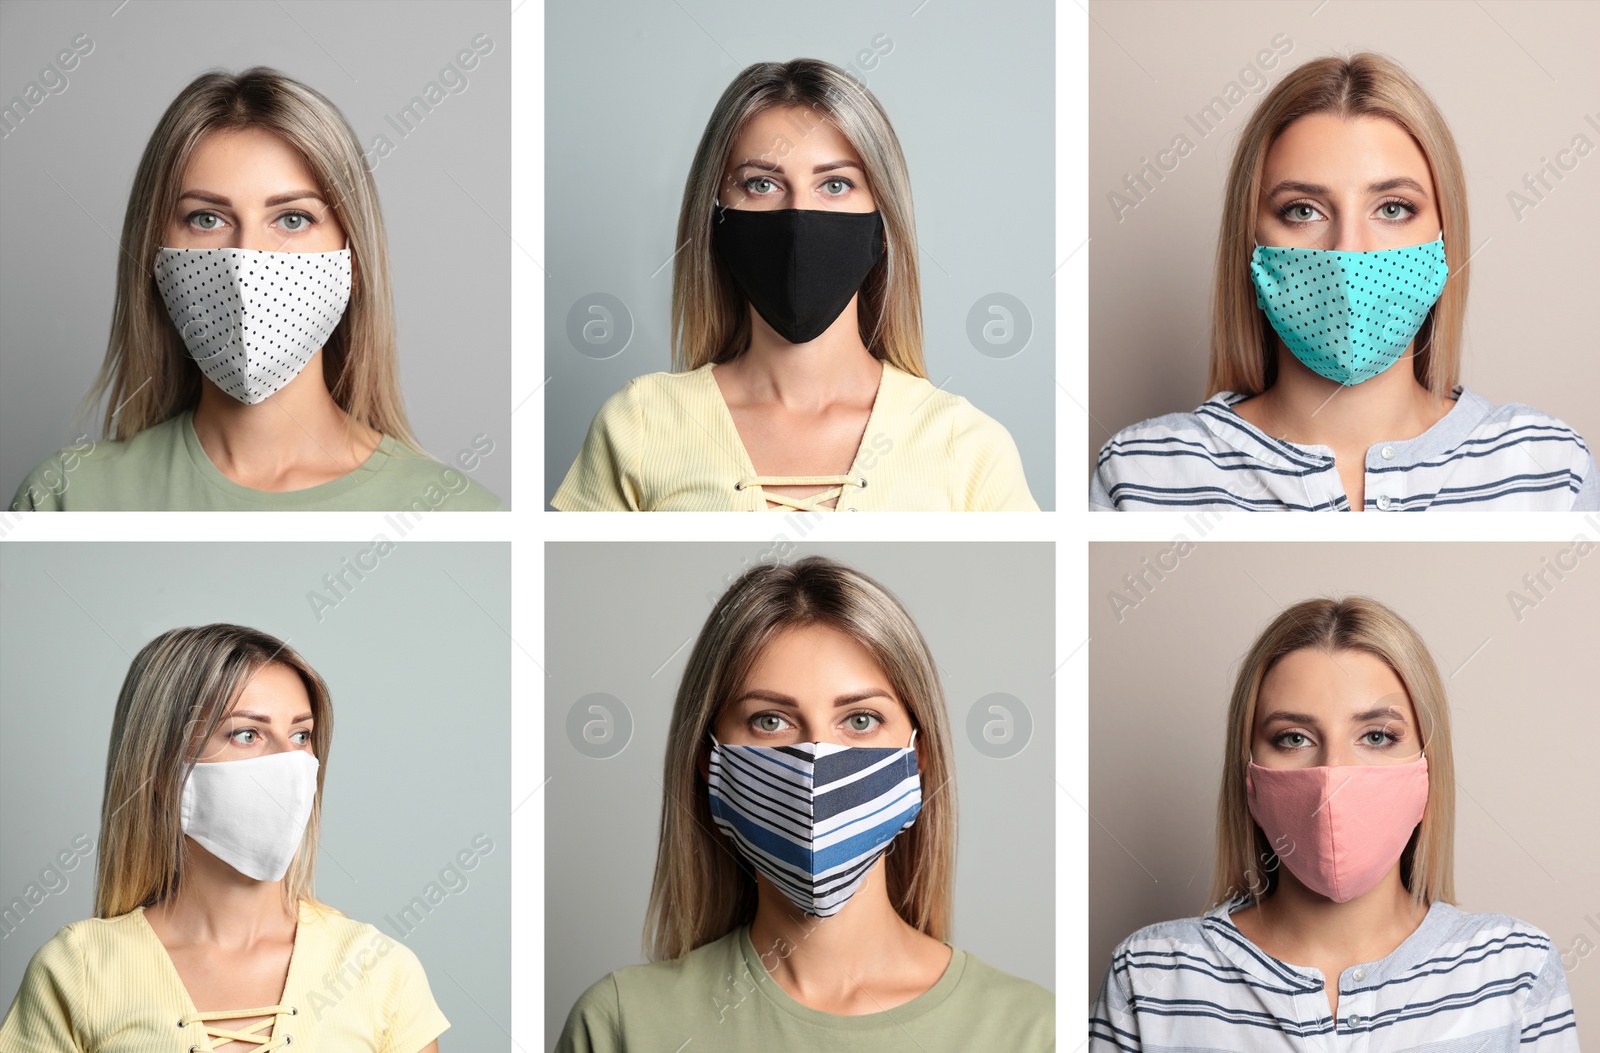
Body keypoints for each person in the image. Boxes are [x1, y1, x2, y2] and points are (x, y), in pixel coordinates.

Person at [557, 556, 1054, 1050]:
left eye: (860, 720)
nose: (816, 765)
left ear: (916, 758)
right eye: (770, 721)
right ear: (711, 761)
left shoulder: (1033, 1030)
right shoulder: (622, 1022)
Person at [1092, 53, 1596, 511]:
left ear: (1445, 238)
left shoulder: (1549, 471)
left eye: (1393, 208)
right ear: (1250, 243)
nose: (1348, 252)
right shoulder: (1137, 476)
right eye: (1303, 210)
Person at [1090, 597, 1577, 1051]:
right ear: (1248, 773)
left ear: (1429, 769)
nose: (1334, 776)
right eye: (1294, 738)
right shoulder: (1148, 976)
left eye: (1378, 736)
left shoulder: (1516, 968)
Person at [553, 60, 1036, 512]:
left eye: (835, 185)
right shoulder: (638, 424)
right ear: (716, 218)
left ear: (883, 225)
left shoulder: (969, 446)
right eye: (762, 184)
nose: (798, 218)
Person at [10, 68, 501, 511]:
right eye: (207, 219)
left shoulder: (457, 512)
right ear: (156, 257)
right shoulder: (65, 497)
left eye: (292, 218)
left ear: (352, 261)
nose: (247, 263)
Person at [0, 624, 449, 1051]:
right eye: (247, 734)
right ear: (160, 768)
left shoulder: (380, 970)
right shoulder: (76, 971)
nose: (290, 763)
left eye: (301, 734)